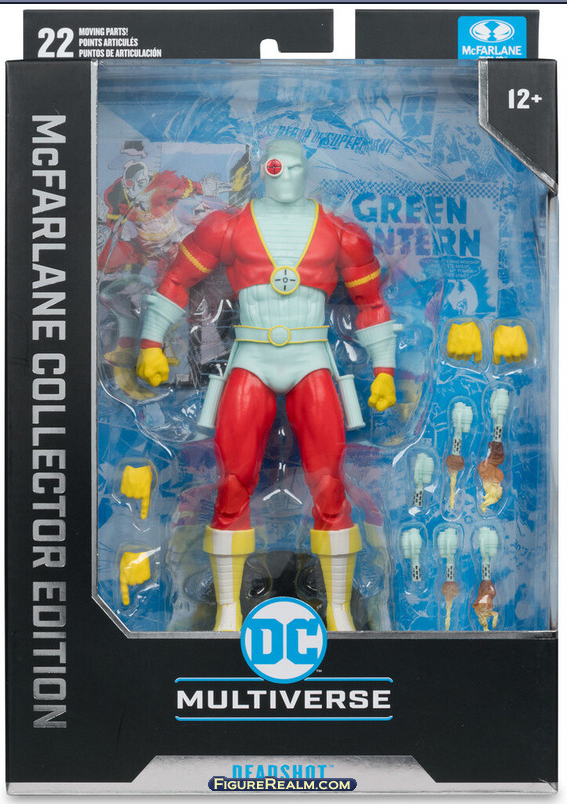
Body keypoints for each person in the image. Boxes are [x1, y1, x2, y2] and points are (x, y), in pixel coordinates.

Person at [135, 139, 399, 631]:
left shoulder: (342, 234)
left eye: (294, 167)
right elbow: (176, 280)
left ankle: (339, 611)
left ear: (306, 170)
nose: (285, 176)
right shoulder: (226, 227)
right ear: (263, 170)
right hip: (251, 358)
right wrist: (151, 342)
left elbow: (372, 303)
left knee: (329, 484)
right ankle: (228, 614)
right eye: (276, 167)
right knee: (233, 483)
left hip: (311, 358)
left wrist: (384, 369)